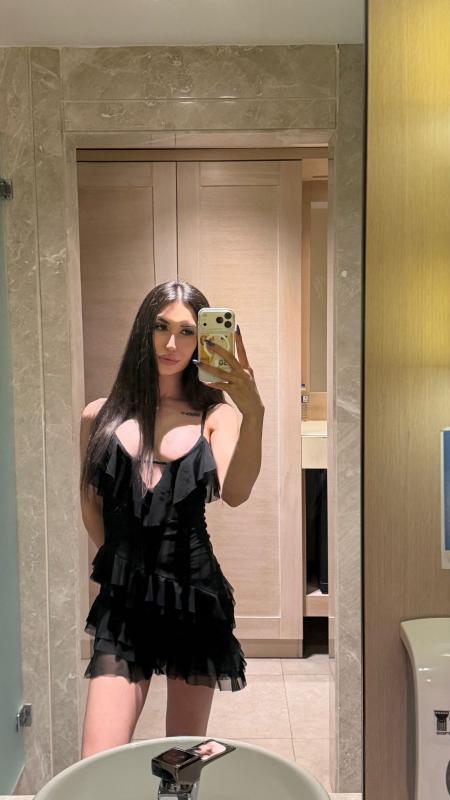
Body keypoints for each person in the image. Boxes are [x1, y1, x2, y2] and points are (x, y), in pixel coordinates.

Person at [79, 280, 264, 757]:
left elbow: (237, 493)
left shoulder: (217, 416)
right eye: (161, 327)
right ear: (144, 330)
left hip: (193, 598)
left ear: (202, 340)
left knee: (180, 761)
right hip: (124, 604)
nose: (171, 344)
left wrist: (255, 412)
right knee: (97, 761)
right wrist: (122, 567)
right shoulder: (99, 416)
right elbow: (90, 503)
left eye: (186, 332)